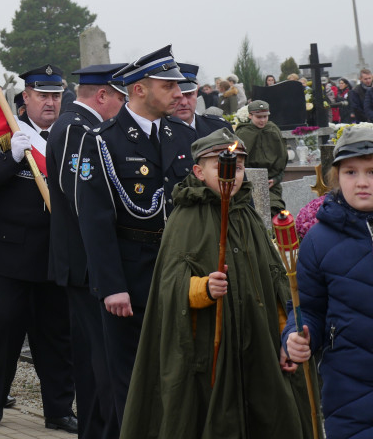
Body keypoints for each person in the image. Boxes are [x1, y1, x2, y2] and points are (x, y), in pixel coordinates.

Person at [122, 128, 310, 439]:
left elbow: (274, 285)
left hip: (257, 347)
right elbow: (169, 287)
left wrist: (283, 336)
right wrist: (203, 289)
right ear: (198, 171)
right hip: (206, 353)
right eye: (221, 166)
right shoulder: (185, 219)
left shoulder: (248, 218)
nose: (231, 174)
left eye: (237, 167)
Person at [74, 45, 195, 425]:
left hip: (179, 276)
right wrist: (111, 286)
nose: (180, 93)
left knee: (177, 380)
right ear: (140, 89)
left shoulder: (180, 136)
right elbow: (94, 222)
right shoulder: (103, 140)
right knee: (129, 386)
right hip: (130, 280)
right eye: (169, 86)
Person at [0, 64, 77, 433]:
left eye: (55, 95)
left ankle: (58, 410)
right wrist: (12, 159)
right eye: (42, 95)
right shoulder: (6, 137)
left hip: (55, 253)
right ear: (26, 99)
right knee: (4, 329)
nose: (50, 102)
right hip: (12, 255)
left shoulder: (72, 136)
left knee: (55, 335)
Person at [46, 63, 127, 439]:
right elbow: (83, 200)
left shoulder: (74, 125)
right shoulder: (78, 130)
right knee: (100, 359)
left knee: (93, 357)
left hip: (82, 263)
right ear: (103, 96)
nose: (123, 106)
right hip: (84, 263)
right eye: (120, 98)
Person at [284, 124, 373, 439]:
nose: (362, 182)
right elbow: (308, 307)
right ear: (336, 177)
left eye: (372, 172)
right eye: (350, 172)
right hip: (350, 391)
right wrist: (297, 336)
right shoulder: (319, 240)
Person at [234, 100, 288, 219]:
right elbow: (237, 162)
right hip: (248, 184)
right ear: (250, 116)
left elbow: (282, 160)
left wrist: (276, 179)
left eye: (265, 116)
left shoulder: (273, 130)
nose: (262, 120)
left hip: (272, 184)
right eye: (258, 117)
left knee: (275, 210)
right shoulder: (243, 133)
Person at [168, 63, 232, 137]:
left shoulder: (219, 128)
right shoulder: (156, 133)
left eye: (189, 94)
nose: (184, 102)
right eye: (177, 96)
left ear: (197, 92)